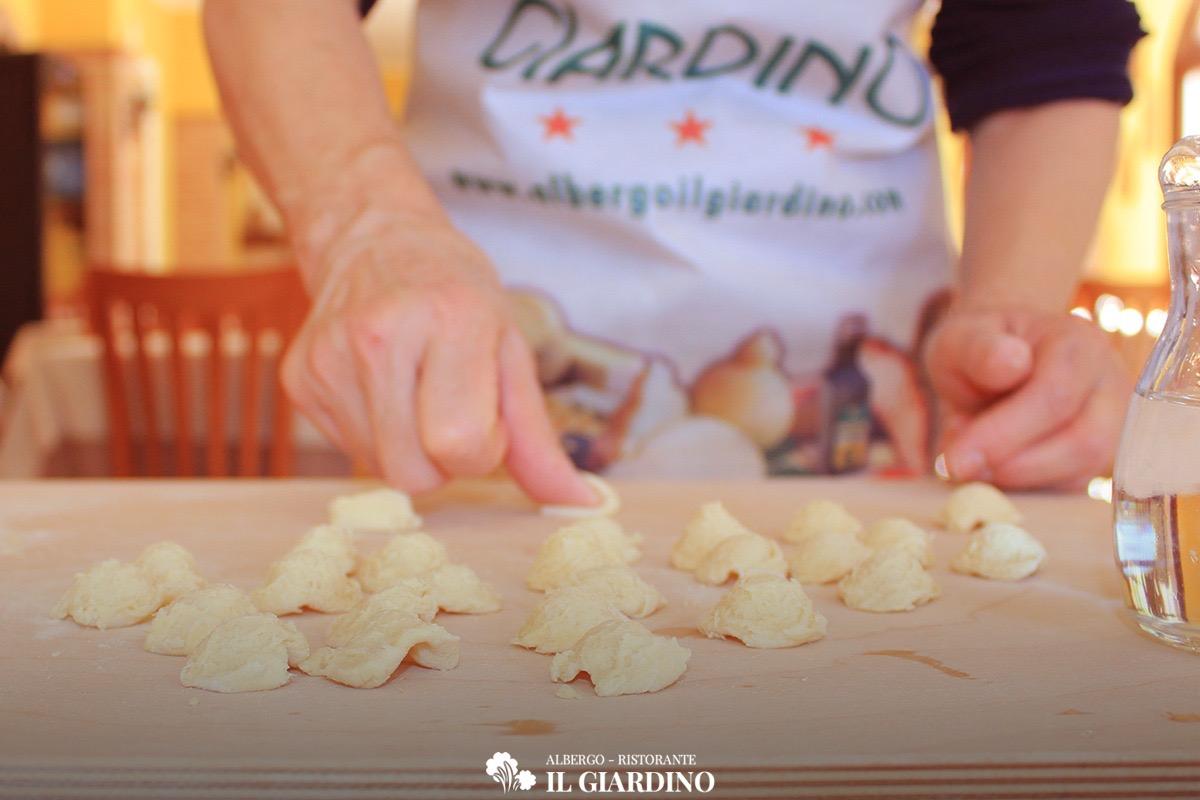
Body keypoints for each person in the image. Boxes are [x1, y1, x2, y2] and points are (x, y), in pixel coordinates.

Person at [203, 0, 1143, 503]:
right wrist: (373, 231)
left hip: (859, 436)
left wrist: (1009, 315)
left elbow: (1047, 42)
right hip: (475, 425)